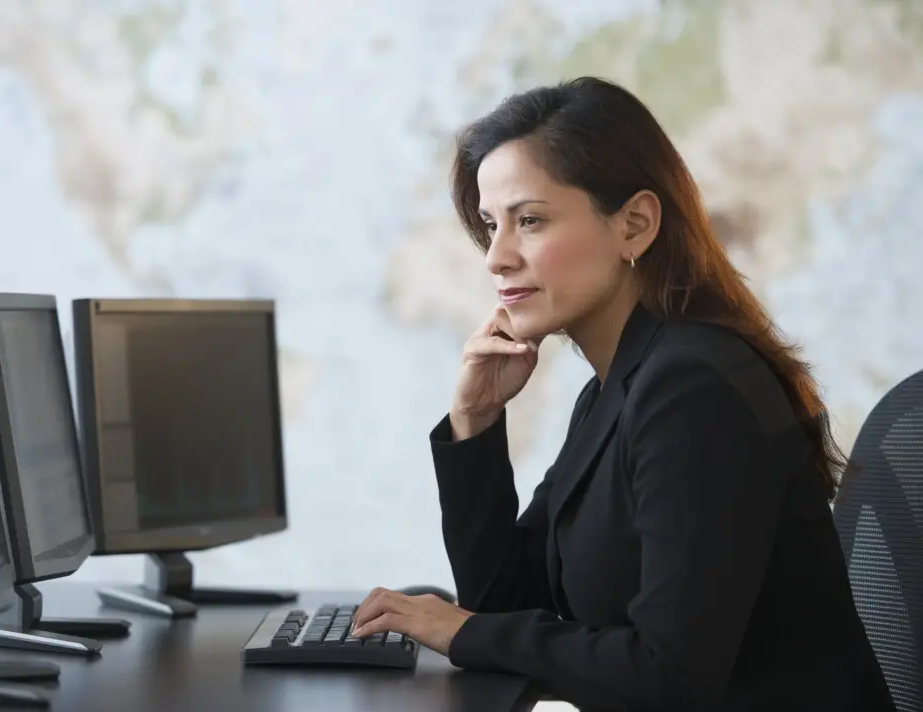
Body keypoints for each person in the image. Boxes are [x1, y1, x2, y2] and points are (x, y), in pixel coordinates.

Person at [351, 77, 894, 711]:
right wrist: (474, 419)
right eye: (490, 225)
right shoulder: (615, 390)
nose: (496, 257)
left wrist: (462, 629)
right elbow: (503, 605)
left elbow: (670, 675)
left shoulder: (693, 390)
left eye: (529, 221)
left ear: (634, 225)